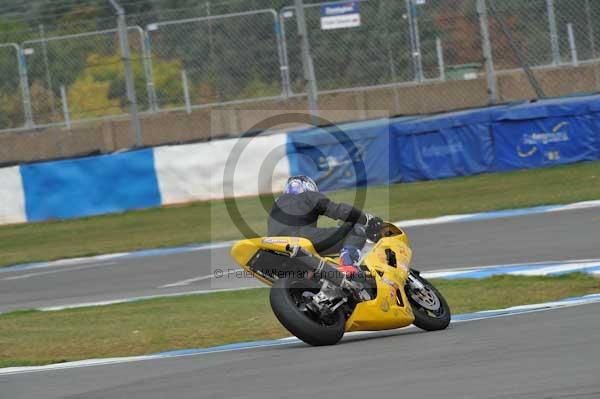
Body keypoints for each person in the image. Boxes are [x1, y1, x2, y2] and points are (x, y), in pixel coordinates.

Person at [268, 175, 384, 276]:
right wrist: (366, 219)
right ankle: (348, 266)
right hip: (300, 238)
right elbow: (340, 211)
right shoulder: (309, 196)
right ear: (308, 187)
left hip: (275, 246)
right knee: (354, 230)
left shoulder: (277, 203)